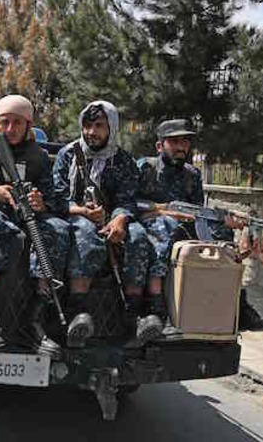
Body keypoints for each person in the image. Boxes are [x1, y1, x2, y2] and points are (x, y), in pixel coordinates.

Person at [0, 95, 70, 356]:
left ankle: (35, 320)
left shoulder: (39, 157)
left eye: (17, 123)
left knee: (59, 229)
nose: (10, 129)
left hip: (25, 216)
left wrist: (41, 202)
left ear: (28, 125)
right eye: (4, 122)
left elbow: (56, 199)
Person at [137, 119, 263, 331]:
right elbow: (129, 203)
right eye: (174, 142)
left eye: (185, 142)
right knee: (165, 227)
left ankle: (237, 303)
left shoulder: (192, 175)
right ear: (159, 146)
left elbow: (199, 212)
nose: (181, 147)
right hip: (150, 223)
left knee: (222, 234)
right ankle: (157, 309)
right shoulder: (146, 168)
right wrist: (163, 210)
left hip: (185, 225)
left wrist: (226, 221)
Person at [53, 100, 161, 348]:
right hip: (76, 216)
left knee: (138, 237)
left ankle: (132, 316)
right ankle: (77, 313)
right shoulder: (68, 155)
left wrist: (119, 219)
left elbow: (128, 199)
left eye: (99, 126)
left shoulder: (123, 161)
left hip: (113, 219)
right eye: (87, 125)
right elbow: (57, 197)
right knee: (84, 235)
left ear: (111, 128)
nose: (91, 132)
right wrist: (83, 211)